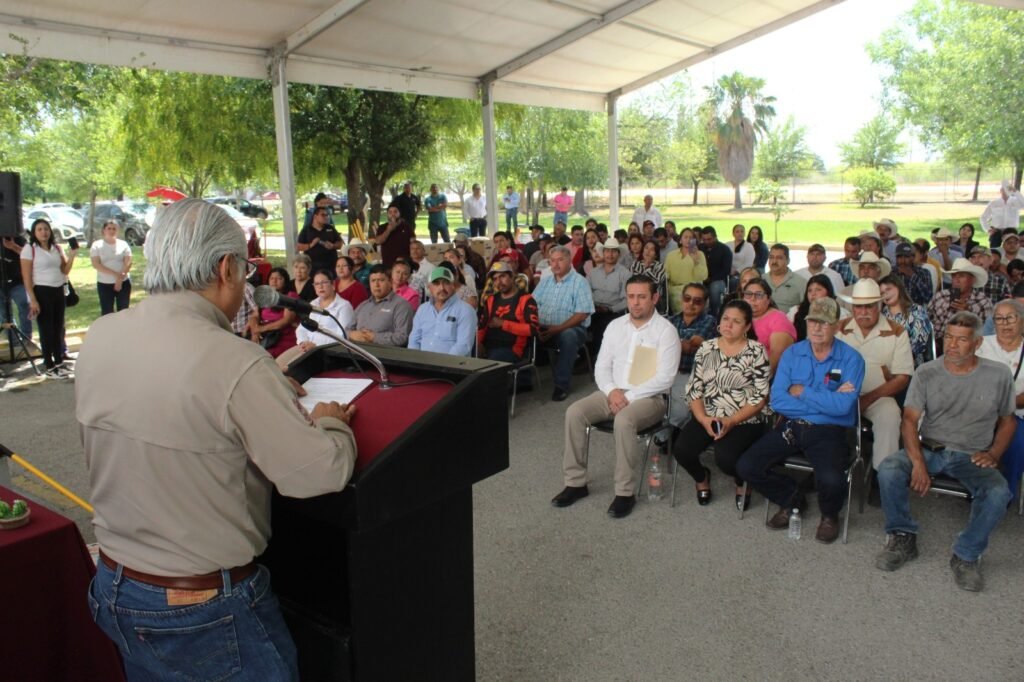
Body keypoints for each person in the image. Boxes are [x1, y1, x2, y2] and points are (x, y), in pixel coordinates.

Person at [77, 198, 357, 679]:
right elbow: (319, 474)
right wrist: (332, 423)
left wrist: (260, 391)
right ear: (226, 268)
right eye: (246, 270)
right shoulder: (234, 361)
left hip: (116, 583)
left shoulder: (101, 335)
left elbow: (168, 407)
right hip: (202, 608)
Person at [874, 312, 1014, 592]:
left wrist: (994, 454)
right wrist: (917, 463)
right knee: (888, 469)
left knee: (999, 492)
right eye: (949, 337)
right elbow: (909, 420)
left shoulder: (998, 375)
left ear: (976, 343)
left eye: (961, 340)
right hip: (932, 447)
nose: (952, 345)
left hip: (972, 454)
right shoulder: (927, 372)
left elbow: (1008, 420)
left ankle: (966, 554)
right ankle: (902, 535)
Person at [551, 275, 680, 519]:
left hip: (649, 398)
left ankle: (624, 492)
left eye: (642, 297)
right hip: (612, 391)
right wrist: (612, 391)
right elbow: (601, 367)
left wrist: (628, 396)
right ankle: (576, 483)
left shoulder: (666, 331)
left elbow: (665, 378)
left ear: (655, 298)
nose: (635, 302)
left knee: (624, 420)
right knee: (574, 412)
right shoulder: (615, 326)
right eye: (631, 296)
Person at [737, 297, 865, 544]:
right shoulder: (792, 353)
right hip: (792, 425)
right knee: (747, 466)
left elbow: (843, 407)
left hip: (830, 429)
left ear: (836, 326)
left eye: (824, 323)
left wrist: (803, 392)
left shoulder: (852, 359)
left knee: (831, 479)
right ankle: (791, 498)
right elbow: (778, 401)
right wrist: (826, 401)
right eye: (812, 321)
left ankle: (829, 515)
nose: (817, 327)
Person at [673, 299, 769, 510]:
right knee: (681, 450)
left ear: (747, 326)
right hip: (708, 414)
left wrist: (731, 420)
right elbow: (694, 389)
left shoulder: (756, 351)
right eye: (725, 319)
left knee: (726, 460)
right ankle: (701, 478)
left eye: (736, 321)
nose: (728, 324)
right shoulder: (707, 348)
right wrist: (703, 419)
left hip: (743, 418)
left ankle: (742, 480)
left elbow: (760, 397)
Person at [837, 279, 914, 470]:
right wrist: (835, 393)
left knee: (890, 415)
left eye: (869, 306)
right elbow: (825, 366)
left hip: (879, 397)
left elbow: (902, 377)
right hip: (840, 394)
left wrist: (868, 398)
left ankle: (883, 473)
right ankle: (829, 469)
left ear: (879, 306)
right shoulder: (838, 328)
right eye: (858, 307)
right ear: (852, 307)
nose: (863, 312)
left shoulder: (897, 332)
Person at [533, 245, 595, 401]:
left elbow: (582, 314)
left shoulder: (579, 282)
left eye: (560, 260)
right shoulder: (545, 282)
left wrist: (557, 329)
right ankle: (522, 379)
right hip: (543, 327)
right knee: (517, 331)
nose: (555, 264)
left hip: (572, 329)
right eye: (552, 261)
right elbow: (531, 305)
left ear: (569, 261)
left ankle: (561, 385)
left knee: (568, 336)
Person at [977, 299, 1024, 502]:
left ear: (1022, 320)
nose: (1004, 323)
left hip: (1017, 412)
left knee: (1018, 442)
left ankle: (1003, 494)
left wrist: (1004, 406)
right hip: (980, 409)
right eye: (999, 319)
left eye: (1010, 318)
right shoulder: (981, 345)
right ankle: (977, 485)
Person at [21, 218, 78, 378]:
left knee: (58, 327)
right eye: (39, 229)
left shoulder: (56, 248)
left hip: (58, 290)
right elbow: (26, 276)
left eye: (46, 229)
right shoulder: (30, 249)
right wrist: (33, 299)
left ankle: (59, 362)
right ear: (34, 232)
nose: (43, 232)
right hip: (41, 291)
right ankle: (49, 365)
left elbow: (65, 270)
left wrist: (72, 256)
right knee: (46, 329)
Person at [477, 262, 540, 389]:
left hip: (513, 349)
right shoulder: (491, 300)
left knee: (490, 363)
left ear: (512, 276)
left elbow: (533, 329)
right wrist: (478, 343)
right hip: (489, 347)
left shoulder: (526, 299)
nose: (499, 282)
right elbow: (482, 327)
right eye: (495, 279)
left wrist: (503, 324)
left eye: (502, 276)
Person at [667, 283, 718, 430]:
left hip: (692, 376)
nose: (690, 304)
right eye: (687, 298)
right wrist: (681, 343)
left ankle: (667, 436)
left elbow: (691, 346)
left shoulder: (709, 321)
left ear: (705, 303)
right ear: (681, 298)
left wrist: (671, 343)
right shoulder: (671, 321)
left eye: (697, 301)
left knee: (679, 412)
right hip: (668, 372)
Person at [927, 257, 993, 353]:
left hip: (969, 349)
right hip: (937, 346)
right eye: (954, 276)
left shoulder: (983, 301)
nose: (957, 280)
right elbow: (927, 322)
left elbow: (986, 332)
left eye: (961, 276)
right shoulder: (940, 296)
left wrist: (968, 313)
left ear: (972, 280)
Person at [408, 265, 476, 356]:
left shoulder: (466, 310)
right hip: (421, 362)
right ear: (429, 287)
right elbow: (414, 341)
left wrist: (441, 363)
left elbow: (463, 346)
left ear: (453, 286)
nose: (442, 288)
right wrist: (415, 361)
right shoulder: (422, 309)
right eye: (436, 283)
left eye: (446, 283)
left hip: (452, 363)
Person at [346, 264, 414, 347]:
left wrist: (374, 337)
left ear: (390, 282)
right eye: (373, 281)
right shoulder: (363, 305)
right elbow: (346, 330)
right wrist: (352, 334)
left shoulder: (402, 306)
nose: (376, 285)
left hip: (383, 353)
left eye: (381, 280)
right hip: (357, 351)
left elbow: (402, 338)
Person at [744, 278, 796, 376]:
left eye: (759, 295)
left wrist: (757, 380)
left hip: (767, 376)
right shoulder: (740, 316)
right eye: (748, 294)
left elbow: (776, 356)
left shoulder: (778, 319)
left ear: (768, 299)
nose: (752, 298)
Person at [879, 274, 934, 367]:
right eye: (882, 293)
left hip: (911, 363)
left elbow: (919, 343)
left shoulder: (916, 311)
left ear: (899, 288)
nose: (885, 294)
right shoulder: (881, 315)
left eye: (888, 289)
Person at [587, 237, 630, 354]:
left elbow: (627, 300)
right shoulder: (593, 272)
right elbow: (585, 293)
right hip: (592, 309)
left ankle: (597, 357)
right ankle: (583, 355)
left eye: (613, 251)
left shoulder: (625, 274)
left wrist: (610, 309)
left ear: (618, 254)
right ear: (603, 252)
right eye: (607, 251)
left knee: (602, 325)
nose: (610, 254)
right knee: (577, 322)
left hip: (613, 312)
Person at [295, 270, 356, 351]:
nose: (320, 287)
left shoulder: (344, 306)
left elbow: (342, 337)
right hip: (307, 348)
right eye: (317, 284)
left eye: (324, 282)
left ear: (333, 284)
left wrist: (315, 345)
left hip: (329, 351)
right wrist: (303, 342)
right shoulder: (313, 304)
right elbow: (301, 329)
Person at [90, 220, 133, 316]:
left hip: (124, 283)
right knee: (107, 312)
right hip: (104, 284)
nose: (111, 231)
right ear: (104, 230)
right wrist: (116, 275)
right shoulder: (96, 245)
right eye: (109, 228)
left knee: (124, 312)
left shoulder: (123, 244)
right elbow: (96, 264)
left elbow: (128, 262)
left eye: (114, 229)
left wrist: (120, 279)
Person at [253, 266, 298, 358]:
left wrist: (261, 329)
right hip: (266, 338)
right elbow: (254, 316)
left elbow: (286, 320)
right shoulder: (264, 297)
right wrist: (255, 331)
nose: (274, 281)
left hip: (283, 338)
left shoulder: (290, 296)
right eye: (272, 278)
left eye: (279, 278)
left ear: (285, 281)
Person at [789, 274, 848, 341]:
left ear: (828, 292)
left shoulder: (841, 313)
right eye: (810, 290)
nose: (813, 294)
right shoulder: (795, 311)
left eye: (818, 290)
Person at [665, 232, 708, 316]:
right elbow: (666, 274)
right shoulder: (671, 255)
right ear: (680, 240)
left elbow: (703, 276)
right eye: (685, 237)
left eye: (691, 237)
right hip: (675, 289)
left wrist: (696, 261)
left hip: (693, 288)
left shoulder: (700, 254)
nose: (688, 239)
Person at [0, 233, 32, 346]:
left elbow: (29, 256)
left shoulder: (16, 237)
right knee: (5, 313)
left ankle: (27, 338)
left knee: (24, 305)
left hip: (17, 281)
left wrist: (13, 246)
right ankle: (14, 342)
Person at [296, 204, 343, 274]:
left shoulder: (330, 228)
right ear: (315, 216)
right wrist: (311, 245)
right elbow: (299, 247)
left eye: (327, 215)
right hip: (312, 265)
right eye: (323, 215)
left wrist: (333, 246)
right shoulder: (307, 229)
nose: (326, 217)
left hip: (330, 264)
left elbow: (340, 243)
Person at [700, 227, 732, 318]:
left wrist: (711, 279)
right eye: (704, 240)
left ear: (715, 237)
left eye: (709, 239)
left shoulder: (725, 250)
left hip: (719, 280)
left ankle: (714, 315)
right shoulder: (700, 248)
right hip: (702, 279)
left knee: (714, 288)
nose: (706, 242)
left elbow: (726, 270)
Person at [980, 181, 1024, 246]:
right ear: (1000, 191)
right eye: (1003, 189)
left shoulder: (1015, 201)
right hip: (997, 231)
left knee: (1012, 249)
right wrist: (988, 229)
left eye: (1007, 189)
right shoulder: (994, 203)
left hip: (1011, 231)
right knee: (994, 250)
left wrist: (1015, 191)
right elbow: (983, 217)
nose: (1005, 191)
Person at [765, 243, 806, 312]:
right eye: (771, 257)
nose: (774, 261)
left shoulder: (801, 282)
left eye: (779, 258)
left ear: (788, 261)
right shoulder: (761, 279)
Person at [631, 239, 668, 315]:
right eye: (646, 248)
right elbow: (632, 281)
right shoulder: (635, 265)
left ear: (656, 254)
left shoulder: (660, 266)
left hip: (654, 299)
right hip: (637, 296)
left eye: (652, 250)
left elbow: (657, 282)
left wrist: (647, 267)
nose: (648, 251)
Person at [730, 224, 755, 292]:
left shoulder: (749, 246)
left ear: (744, 233)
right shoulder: (727, 245)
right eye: (737, 232)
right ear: (733, 233)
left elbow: (749, 263)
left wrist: (736, 271)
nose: (740, 233)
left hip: (742, 273)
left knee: (733, 281)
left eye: (742, 231)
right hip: (728, 272)